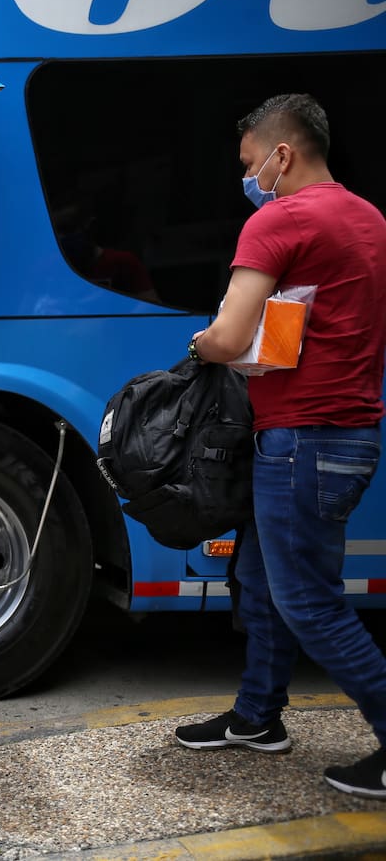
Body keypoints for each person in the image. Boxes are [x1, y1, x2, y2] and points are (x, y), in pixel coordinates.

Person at [173, 94, 386, 799]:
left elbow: (230, 337)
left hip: (302, 443)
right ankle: (257, 717)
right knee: (264, 581)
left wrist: (200, 344)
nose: (248, 177)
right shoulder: (370, 218)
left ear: (282, 154)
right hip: (347, 435)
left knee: (310, 603)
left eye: (249, 162)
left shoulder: (279, 219)